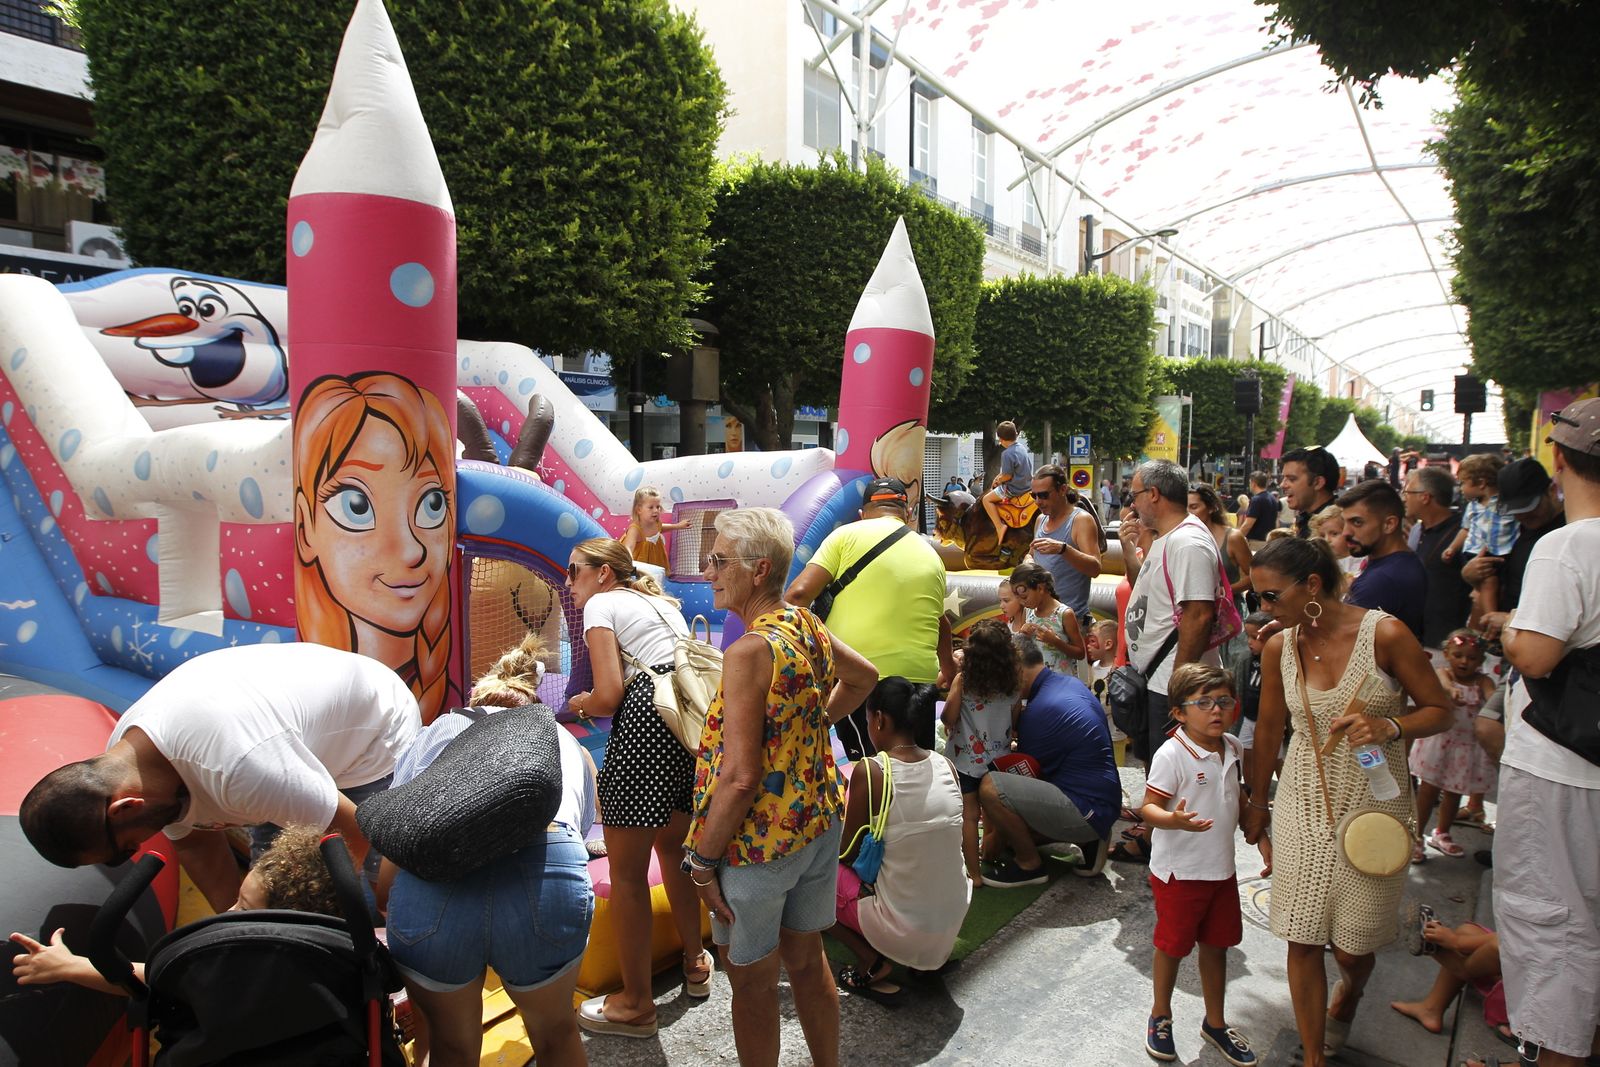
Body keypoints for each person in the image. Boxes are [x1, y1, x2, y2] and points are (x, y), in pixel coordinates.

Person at [1241, 537, 1453, 1066]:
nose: (1263, 610)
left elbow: (1440, 710)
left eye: (1270, 597)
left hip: (1375, 808)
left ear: (1312, 586)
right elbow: (1268, 731)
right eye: (1257, 599)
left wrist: (1390, 725)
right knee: (1302, 938)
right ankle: (1313, 1056)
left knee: (1354, 947)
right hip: (1303, 805)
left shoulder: (1385, 633)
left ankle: (1352, 991)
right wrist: (1256, 801)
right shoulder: (1278, 647)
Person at [683, 507, 878, 1067]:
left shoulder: (748, 653)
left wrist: (701, 862)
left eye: (720, 560)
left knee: (751, 987)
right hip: (814, 826)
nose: (710, 570)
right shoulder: (804, 623)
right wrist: (813, 724)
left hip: (758, 846)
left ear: (758, 569)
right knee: (807, 959)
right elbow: (862, 676)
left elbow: (741, 777)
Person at [19, 643, 420, 912]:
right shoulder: (128, 761)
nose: (133, 853)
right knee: (274, 908)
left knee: (370, 892)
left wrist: (360, 915)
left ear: (126, 806)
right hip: (279, 753)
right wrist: (234, 928)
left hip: (371, 735)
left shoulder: (242, 768)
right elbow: (195, 845)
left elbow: (354, 833)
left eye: (124, 849)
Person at [380, 637, 595, 1067]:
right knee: (555, 1034)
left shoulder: (439, 728)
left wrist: (389, 902)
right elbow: (578, 830)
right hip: (545, 869)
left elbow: (399, 827)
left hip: (437, 883)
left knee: (452, 1045)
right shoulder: (562, 739)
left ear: (480, 694)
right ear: (531, 702)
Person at [564, 538, 709, 1038]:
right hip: (681, 724)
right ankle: (695, 962)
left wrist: (581, 704)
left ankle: (636, 1005)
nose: (569, 582)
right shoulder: (659, 603)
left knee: (626, 876)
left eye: (575, 571)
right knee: (674, 850)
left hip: (645, 722)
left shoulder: (603, 604)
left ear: (604, 574)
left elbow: (609, 695)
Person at [1494, 398, 1600, 1067]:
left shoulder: (1568, 546)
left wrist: (1505, 626)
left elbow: (1534, 655)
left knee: (1551, 920)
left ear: (1557, 460)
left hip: (1560, 763)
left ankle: (1555, 1057)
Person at [10, 825, 345, 994]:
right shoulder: (341, 959)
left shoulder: (235, 965)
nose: (229, 912)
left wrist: (67, 966)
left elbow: (149, 978)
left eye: (243, 905)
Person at [294, 371, 455, 720]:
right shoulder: (310, 699)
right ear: (305, 528)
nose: (411, 550)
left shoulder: (446, 697)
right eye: (357, 507)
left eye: (432, 504)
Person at [1140, 663, 1270, 1067]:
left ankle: (1215, 1023)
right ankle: (1161, 1015)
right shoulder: (1172, 754)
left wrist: (1260, 837)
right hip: (1180, 873)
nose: (1216, 710)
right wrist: (1172, 820)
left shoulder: (1232, 747)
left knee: (1218, 946)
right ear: (1179, 711)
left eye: (1224, 701)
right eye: (1203, 703)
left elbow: (1238, 798)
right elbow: (1147, 807)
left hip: (1221, 871)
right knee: (1172, 947)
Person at [785, 476, 956, 760]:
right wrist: (949, 671)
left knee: (869, 772)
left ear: (862, 514)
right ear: (909, 513)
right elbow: (940, 623)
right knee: (917, 769)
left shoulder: (845, 536)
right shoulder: (931, 554)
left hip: (860, 680)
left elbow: (798, 596)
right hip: (922, 682)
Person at [833, 679, 969, 998]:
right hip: (949, 922)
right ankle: (924, 962)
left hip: (905, 929)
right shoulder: (946, 765)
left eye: (867, 720)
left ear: (880, 719)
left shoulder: (872, 770)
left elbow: (846, 851)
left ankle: (870, 960)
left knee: (809, 879)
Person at [978, 634, 1120, 888]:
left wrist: (993, 840)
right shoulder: (1068, 684)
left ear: (1016, 668)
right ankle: (1090, 840)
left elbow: (1017, 784)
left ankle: (1029, 865)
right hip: (1100, 803)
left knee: (991, 787)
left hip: (1084, 809)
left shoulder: (1040, 710)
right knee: (1012, 830)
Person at [1120, 459, 1224, 773]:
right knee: (1159, 764)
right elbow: (1148, 590)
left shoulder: (1187, 542)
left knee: (1175, 770)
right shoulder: (1169, 536)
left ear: (1153, 494)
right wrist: (1128, 548)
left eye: (1134, 495)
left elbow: (1199, 615)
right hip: (1156, 679)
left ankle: (1163, 823)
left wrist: (1180, 685)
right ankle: (1156, 822)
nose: (1132, 504)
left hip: (1170, 682)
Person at [941, 620, 1024, 886]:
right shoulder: (1013, 683)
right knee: (991, 810)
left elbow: (948, 715)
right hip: (996, 760)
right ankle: (990, 852)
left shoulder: (963, 681)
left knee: (968, 816)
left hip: (965, 761)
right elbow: (1014, 720)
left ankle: (974, 875)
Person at [1409, 630, 1496, 863]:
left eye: (1472, 658)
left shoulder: (1483, 681)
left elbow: (1493, 695)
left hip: (1465, 747)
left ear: (1481, 660)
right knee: (1427, 791)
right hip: (1438, 743)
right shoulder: (1443, 673)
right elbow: (1444, 685)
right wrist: (1451, 691)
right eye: (1458, 655)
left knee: (1454, 791)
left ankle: (1442, 832)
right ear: (1447, 654)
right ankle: (1415, 836)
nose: (1464, 662)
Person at [1463, 457, 1563, 641]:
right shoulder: (1520, 529)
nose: (1522, 515)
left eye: (1528, 507)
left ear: (1552, 491)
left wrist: (1511, 619)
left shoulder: (1567, 533)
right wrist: (1471, 573)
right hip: (1512, 641)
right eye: (1515, 510)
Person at [1389, 919, 1508, 1043]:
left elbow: (1507, 945)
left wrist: (1457, 942)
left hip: (1520, 1010)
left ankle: (1455, 962)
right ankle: (1431, 1009)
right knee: (1467, 932)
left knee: (1492, 950)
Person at [1339, 479, 1428, 640]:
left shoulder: (1382, 580)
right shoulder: (1400, 564)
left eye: (1357, 522)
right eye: (1344, 522)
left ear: (1389, 524)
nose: (1345, 532)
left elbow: (1344, 644)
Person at [1404, 465, 1472, 652]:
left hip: (1449, 645)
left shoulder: (1463, 534)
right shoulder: (1418, 530)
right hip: (1418, 638)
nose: (1404, 498)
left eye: (1408, 492)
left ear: (1425, 497)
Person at [1027, 464, 1103, 619]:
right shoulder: (1040, 520)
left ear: (1062, 490)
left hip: (1070, 621)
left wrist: (1063, 549)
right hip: (1039, 617)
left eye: (1043, 495)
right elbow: (1032, 554)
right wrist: (1027, 562)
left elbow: (1095, 568)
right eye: (1033, 495)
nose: (1037, 501)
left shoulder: (1081, 520)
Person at [1010, 561, 1090, 686]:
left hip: (1061, 682)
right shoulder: (1028, 611)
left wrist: (1055, 642)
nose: (1021, 602)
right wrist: (1022, 634)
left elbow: (1080, 653)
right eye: (1018, 598)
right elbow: (1024, 648)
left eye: (1024, 597)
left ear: (1041, 588)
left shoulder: (1064, 614)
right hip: (1036, 681)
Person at [1229, 611, 1276, 789]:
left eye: (1256, 637)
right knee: (1246, 753)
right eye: (1248, 636)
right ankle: (1250, 789)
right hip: (1248, 716)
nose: (1250, 642)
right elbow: (1239, 688)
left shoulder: (1278, 659)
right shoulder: (1246, 659)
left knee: (1274, 756)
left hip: (1269, 718)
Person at [1189, 482, 1254, 606]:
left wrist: (1225, 590)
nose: (1188, 514)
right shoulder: (1180, 537)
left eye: (1194, 507)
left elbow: (1254, 576)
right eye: (1185, 508)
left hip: (1226, 612)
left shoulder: (1233, 537)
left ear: (1212, 508)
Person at [981, 421, 1032, 560]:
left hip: (1013, 488)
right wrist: (1000, 477)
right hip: (1027, 486)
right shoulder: (1021, 447)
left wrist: (998, 480)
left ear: (1000, 439)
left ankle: (999, 526)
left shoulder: (1007, 453)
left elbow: (1008, 475)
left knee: (986, 499)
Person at [1280, 446, 1340, 538]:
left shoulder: (1338, 524)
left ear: (1318, 483)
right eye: (1283, 478)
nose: (1283, 485)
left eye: (1292, 479)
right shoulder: (1305, 520)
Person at [622, 486, 689, 569]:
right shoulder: (635, 529)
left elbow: (660, 528)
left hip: (656, 562)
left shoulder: (655, 523)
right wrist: (629, 562)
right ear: (639, 509)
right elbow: (628, 547)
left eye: (657, 507)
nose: (656, 510)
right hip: (640, 566)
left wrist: (678, 526)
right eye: (651, 507)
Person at [1238, 471, 1279, 546]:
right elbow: (1276, 521)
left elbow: (1248, 524)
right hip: (1269, 541)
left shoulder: (1256, 500)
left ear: (1253, 483)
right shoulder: (1273, 498)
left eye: (1250, 482)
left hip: (1256, 542)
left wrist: (1236, 539)